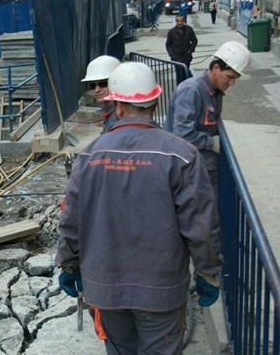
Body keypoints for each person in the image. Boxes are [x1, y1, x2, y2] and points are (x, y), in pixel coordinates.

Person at [55, 62, 223, 355]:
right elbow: (202, 225)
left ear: (117, 107)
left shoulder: (89, 155)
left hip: (105, 288)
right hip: (161, 290)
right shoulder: (182, 156)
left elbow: (70, 219)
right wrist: (208, 273)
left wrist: (69, 264)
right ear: (156, 101)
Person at [164, 41, 251, 187]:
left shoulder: (214, 90)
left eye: (235, 78)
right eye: (230, 77)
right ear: (216, 68)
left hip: (202, 167)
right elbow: (182, 133)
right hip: (189, 170)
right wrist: (212, 143)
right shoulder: (191, 91)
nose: (232, 83)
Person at [82, 55, 121, 133]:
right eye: (93, 86)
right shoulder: (112, 112)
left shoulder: (119, 118)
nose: (97, 90)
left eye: (103, 84)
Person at [165, 14, 198, 84]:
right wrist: (172, 55)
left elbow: (194, 41)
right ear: (176, 21)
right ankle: (180, 91)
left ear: (184, 21)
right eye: (178, 21)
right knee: (179, 76)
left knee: (186, 75)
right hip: (177, 58)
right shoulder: (171, 32)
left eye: (181, 21)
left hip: (186, 57)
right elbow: (168, 45)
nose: (180, 23)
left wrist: (190, 51)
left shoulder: (189, 29)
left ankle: (186, 90)